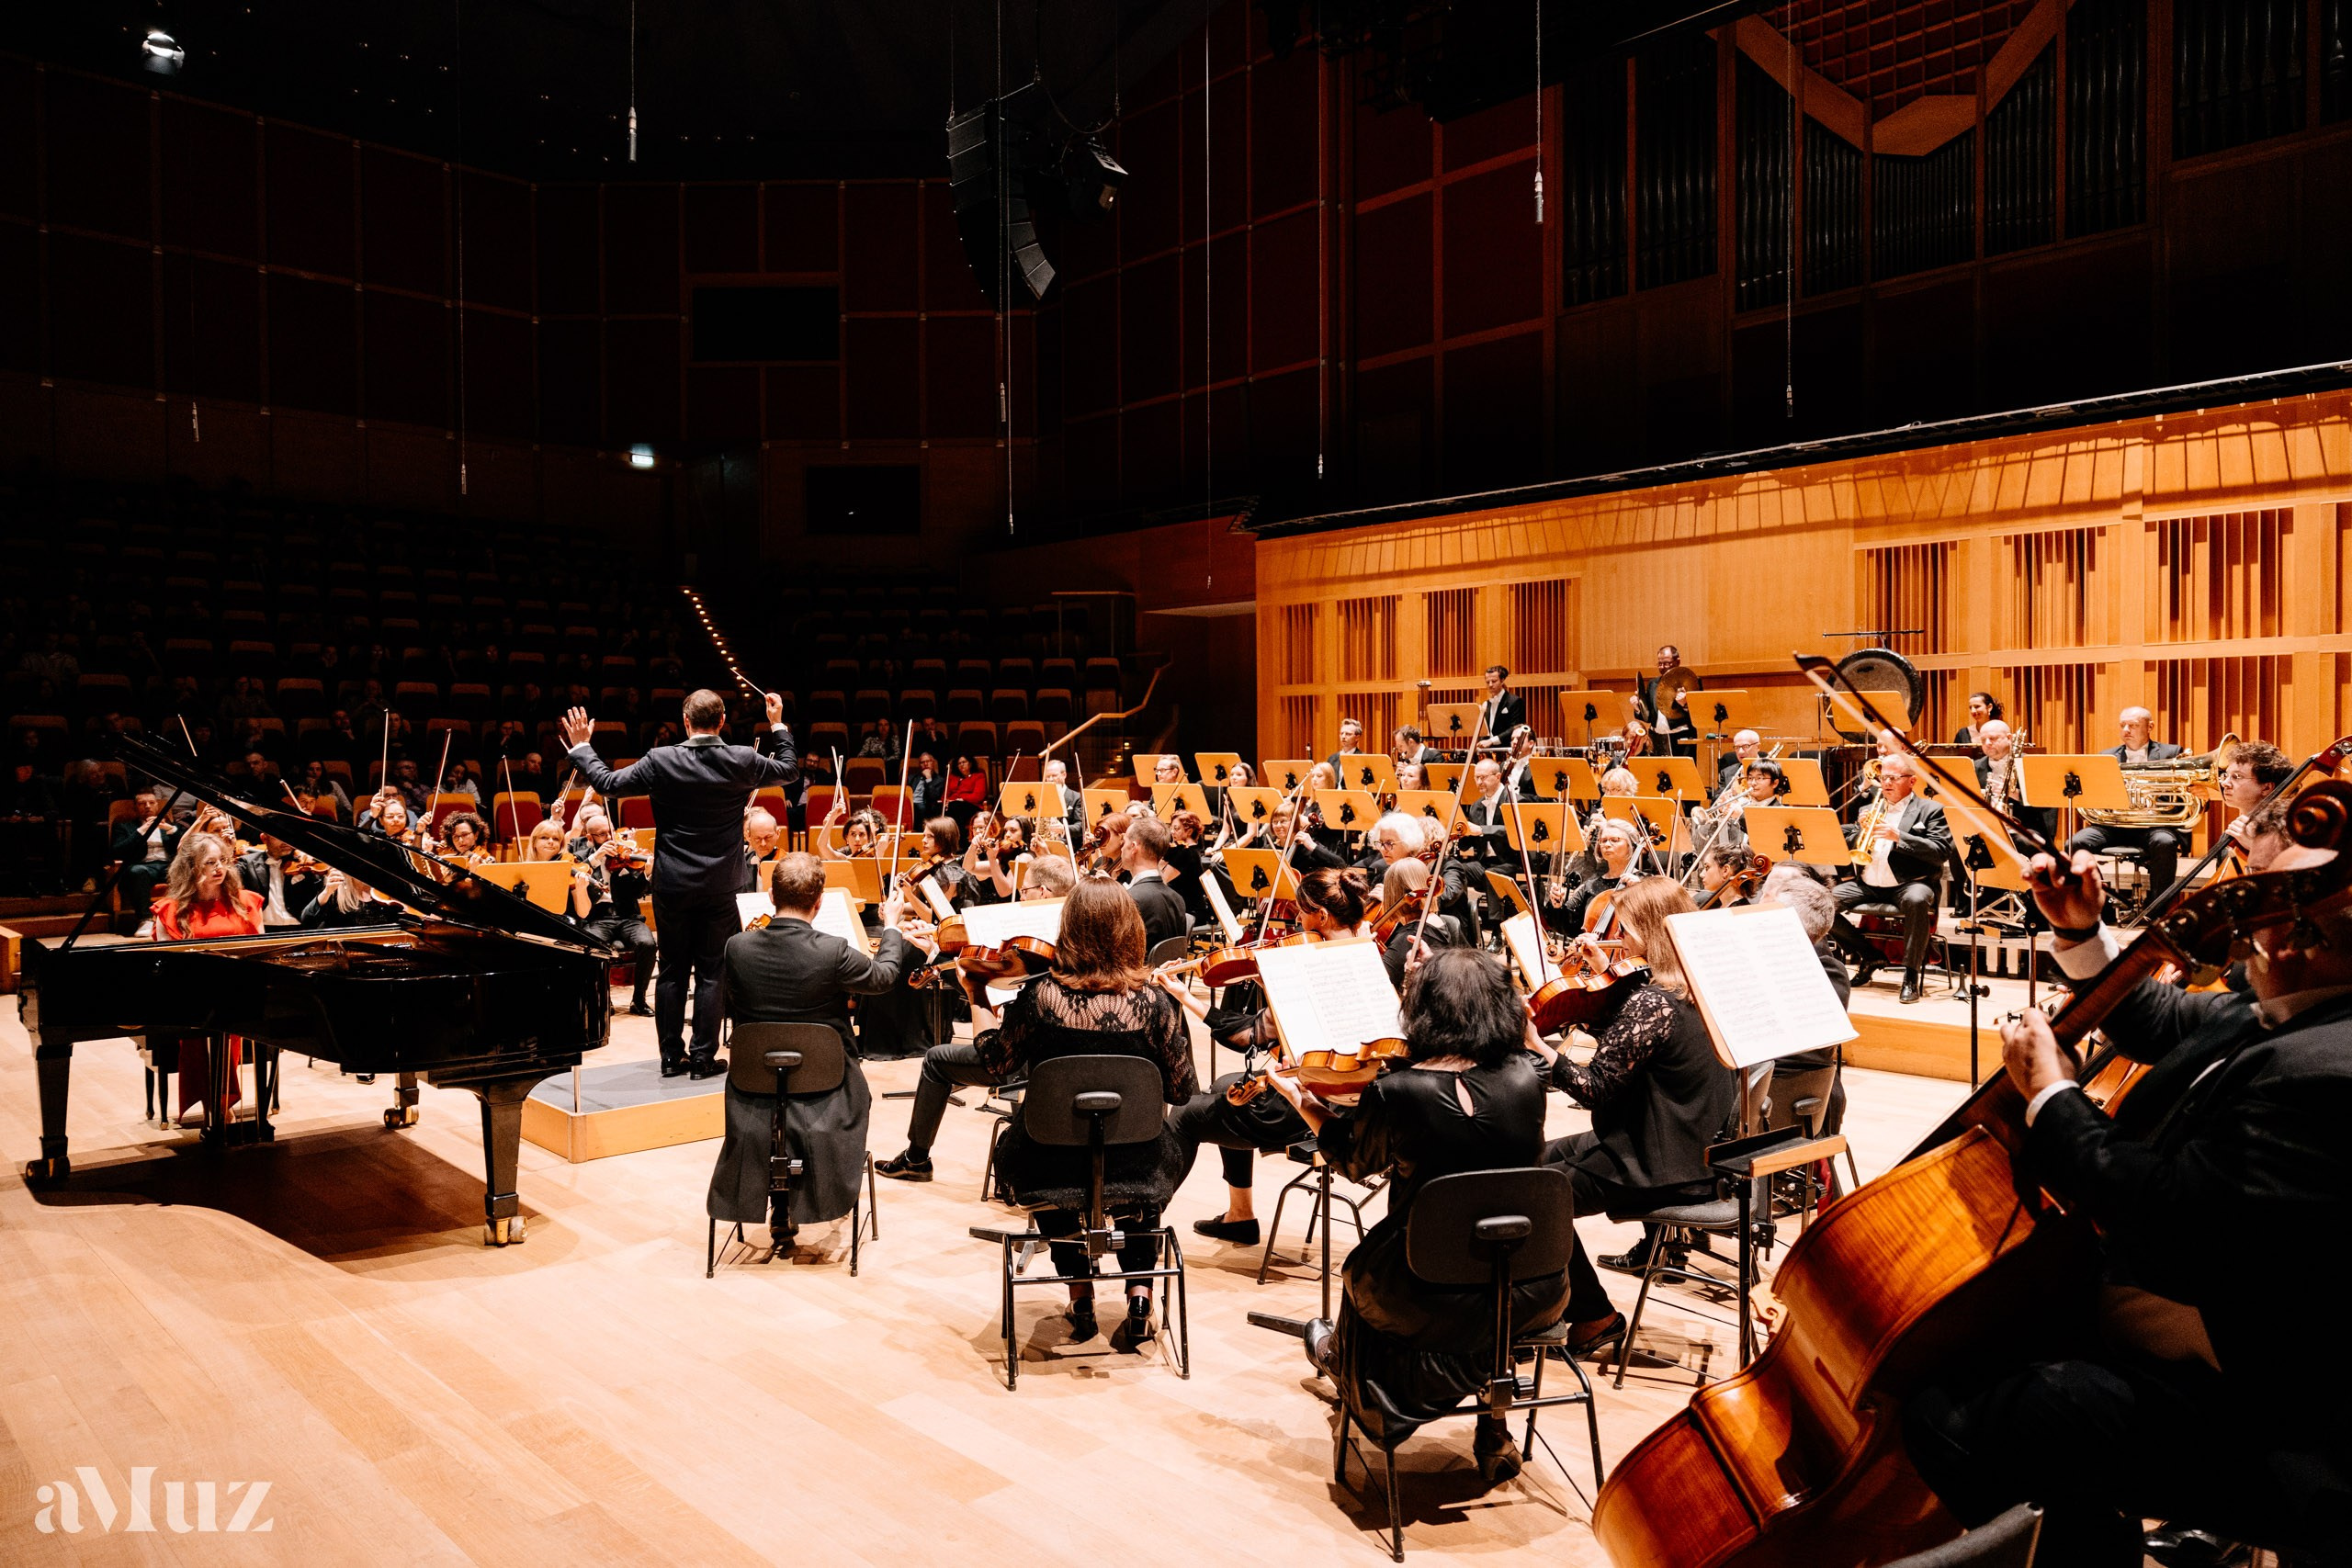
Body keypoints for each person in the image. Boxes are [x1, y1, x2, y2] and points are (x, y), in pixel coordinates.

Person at [1902, 830, 2352, 1568]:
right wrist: (2081, 929)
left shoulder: (2329, 1072)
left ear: (2299, 937)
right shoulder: (2303, 1004)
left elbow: (2167, 1218)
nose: (2241, 933)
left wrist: (2051, 1094)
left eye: (2260, 913)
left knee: (1963, 1415)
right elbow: (2164, 1021)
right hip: (2212, 1320)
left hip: (2282, 1406)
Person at [1272, 947, 1571, 1485]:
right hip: (1530, 1286)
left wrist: (1304, 1101)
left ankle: (1345, 1364)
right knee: (1456, 1270)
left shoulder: (1397, 1091)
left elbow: (1353, 1160)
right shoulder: (1528, 1078)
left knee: (1359, 1270)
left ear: (1423, 1011)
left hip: (1425, 1288)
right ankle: (1493, 1425)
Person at [965, 876, 1197, 1348]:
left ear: (1067, 930)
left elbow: (994, 1065)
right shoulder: (1156, 1004)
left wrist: (976, 993)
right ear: (1131, 932)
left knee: (1033, 1153)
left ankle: (1080, 1291)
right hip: (1136, 1160)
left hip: (1049, 1157)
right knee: (1144, 1149)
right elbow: (1183, 1089)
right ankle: (1139, 1294)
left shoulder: (1037, 998)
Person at [560, 688, 799, 1078]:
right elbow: (789, 770)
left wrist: (583, 745)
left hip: (672, 882)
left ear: (685, 722)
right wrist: (778, 725)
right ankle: (703, 1059)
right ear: (722, 721)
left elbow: (606, 783)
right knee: (712, 971)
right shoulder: (740, 758)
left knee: (672, 972)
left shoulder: (661, 759)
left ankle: (671, 1058)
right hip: (722, 884)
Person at [705, 852, 918, 1248]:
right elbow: (885, 977)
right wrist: (892, 928)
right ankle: (811, 1192)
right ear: (819, 901)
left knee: (781, 1099)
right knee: (815, 1095)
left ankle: (778, 1201)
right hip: (827, 1078)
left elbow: (733, 1003)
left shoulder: (737, 946)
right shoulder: (832, 951)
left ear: (771, 896)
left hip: (755, 1078)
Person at [1536, 876, 1738, 1286]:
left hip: (1655, 1165)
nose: (1620, 940)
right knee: (1531, 1160)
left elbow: (1594, 1088)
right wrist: (1601, 975)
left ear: (1651, 933)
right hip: (1687, 1146)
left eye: (1625, 930)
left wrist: (1538, 1047)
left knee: (1528, 1198)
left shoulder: (1652, 1002)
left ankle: (1591, 1315)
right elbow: (1635, 1046)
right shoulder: (1700, 985)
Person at [1167, 866, 1375, 1248]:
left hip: (1308, 1103)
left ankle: (1146, 1220)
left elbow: (1247, 1036)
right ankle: (1240, 1217)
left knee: (1184, 1115)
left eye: (1301, 914)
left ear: (1323, 917)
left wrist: (1183, 995)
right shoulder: (1365, 957)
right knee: (1226, 1085)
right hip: (1355, 1100)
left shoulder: (1311, 967)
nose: (1296, 922)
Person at [874, 852, 1071, 1183]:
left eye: (1025, 890)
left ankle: (916, 1159)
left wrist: (944, 960)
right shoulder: (1073, 933)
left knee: (937, 1060)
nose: (1020, 897)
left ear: (1045, 892)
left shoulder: (1032, 943)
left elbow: (991, 994)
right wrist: (938, 951)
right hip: (1064, 1058)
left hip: (1025, 1057)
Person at [150, 830, 268, 1126]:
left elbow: (262, 950)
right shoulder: (170, 910)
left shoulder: (246, 902)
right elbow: (165, 963)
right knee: (205, 1019)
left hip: (239, 990)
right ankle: (217, 1103)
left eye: (224, 861)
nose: (219, 868)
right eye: (210, 863)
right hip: (188, 994)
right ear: (192, 867)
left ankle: (217, 1103)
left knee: (226, 1016)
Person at [1831, 753, 1951, 1003]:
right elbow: (1852, 845)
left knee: (1917, 901)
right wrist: (1859, 832)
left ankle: (1910, 976)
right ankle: (1869, 954)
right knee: (1820, 905)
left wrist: (1899, 837)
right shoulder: (1868, 808)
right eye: (1883, 777)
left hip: (1910, 883)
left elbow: (1940, 851)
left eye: (1894, 778)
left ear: (1912, 781)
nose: (1886, 783)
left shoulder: (1931, 810)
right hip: (1868, 883)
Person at [2064, 706, 2187, 897]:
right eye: (2122, 725)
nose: (2126, 730)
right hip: (2115, 826)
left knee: (2165, 842)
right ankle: (2101, 900)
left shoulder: (2171, 753)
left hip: (2154, 826)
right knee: (2075, 843)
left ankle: (2156, 910)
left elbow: (2185, 792)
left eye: (2133, 725)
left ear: (2150, 726)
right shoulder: (2106, 756)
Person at [571, 808, 659, 1018]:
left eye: (609, 832)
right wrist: (596, 857)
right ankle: (604, 1000)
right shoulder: (581, 858)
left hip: (628, 917)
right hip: (598, 919)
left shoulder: (625, 854)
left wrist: (646, 874)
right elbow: (573, 871)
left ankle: (638, 1000)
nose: (609, 838)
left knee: (648, 944)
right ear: (590, 837)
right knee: (592, 946)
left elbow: (637, 892)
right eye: (602, 834)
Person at [1971, 718, 2053, 849]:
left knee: (2024, 842)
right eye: (1983, 740)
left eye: (1993, 738)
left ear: (2009, 738)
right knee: (1955, 847)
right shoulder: (1975, 767)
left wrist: (2017, 795)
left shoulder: (2030, 765)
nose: (1987, 743)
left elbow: (2048, 805)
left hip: (2024, 826)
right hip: (1986, 827)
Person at [1120, 815, 1189, 952]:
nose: (1121, 849)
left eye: (1124, 842)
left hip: (1140, 973)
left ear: (1133, 847)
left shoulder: (1129, 900)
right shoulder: (1177, 899)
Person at [112, 790, 184, 919]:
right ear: (135, 807)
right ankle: (145, 920)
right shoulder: (124, 827)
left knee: (185, 869)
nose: (147, 806)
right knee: (138, 871)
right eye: (142, 803)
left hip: (167, 867)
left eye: (151, 802)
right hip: (143, 867)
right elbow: (118, 850)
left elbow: (186, 846)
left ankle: (182, 916)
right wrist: (141, 831)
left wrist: (171, 830)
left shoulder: (171, 826)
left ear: (157, 805)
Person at [237, 834, 324, 929]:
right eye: (278, 836)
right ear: (264, 838)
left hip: (301, 928)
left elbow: (319, 891)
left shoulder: (303, 861)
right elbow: (230, 881)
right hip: (264, 929)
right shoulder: (248, 862)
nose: (286, 842)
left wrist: (314, 857)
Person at [1633, 646, 1700, 758]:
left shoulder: (1691, 681)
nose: (1663, 667)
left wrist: (1685, 704)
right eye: (1660, 664)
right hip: (1656, 738)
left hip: (1681, 738)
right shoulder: (1653, 684)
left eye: (1667, 663)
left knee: (1682, 773)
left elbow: (1699, 714)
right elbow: (1648, 718)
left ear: (1677, 662)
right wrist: (1637, 707)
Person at [1474, 665, 1525, 754]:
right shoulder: (1486, 704)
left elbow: (1516, 727)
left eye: (1494, 681)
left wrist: (1491, 741)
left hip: (1507, 751)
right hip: (1489, 753)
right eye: (1487, 682)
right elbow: (1484, 730)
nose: (1490, 685)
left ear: (1502, 680)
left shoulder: (1515, 701)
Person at [943, 753, 989, 833]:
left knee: (955, 807)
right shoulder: (952, 777)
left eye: (964, 762)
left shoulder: (979, 776)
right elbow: (945, 795)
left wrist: (960, 798)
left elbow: (978, 796)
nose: (961, 765)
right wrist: (946, 802)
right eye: (959, 763)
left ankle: (960, 837)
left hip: (973, 805)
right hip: (953, 805)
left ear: (970, 764)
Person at [1326, 718, 1366, 782]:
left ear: (1357, 737)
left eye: (1348, 734)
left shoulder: (1363, 759)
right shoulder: (1332, 759)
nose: (1343, 737)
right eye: (1342, 733)